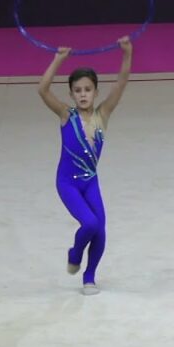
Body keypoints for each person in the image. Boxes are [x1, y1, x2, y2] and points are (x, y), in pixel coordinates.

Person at [37, 36, 133, 295]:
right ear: (71, 94)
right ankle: (75, 252)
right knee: (89, 224)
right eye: (77, 90)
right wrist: (58, 59)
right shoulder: (66, 115)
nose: (82, 94)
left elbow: (121, 83)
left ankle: (89, 277)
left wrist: (126, 54)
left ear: (95, 92)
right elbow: (43, 90)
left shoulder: (103, 114)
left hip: (90, 182)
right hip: (67, 183)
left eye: (87, 89)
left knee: (100, 230)